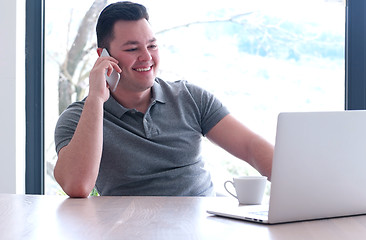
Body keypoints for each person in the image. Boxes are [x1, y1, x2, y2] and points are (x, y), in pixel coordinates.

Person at [54, 1, 273, 198]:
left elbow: (250, 147)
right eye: (132, 48)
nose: (147, 57)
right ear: (103, 56)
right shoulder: (79, 118)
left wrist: (298, 185)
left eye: (152, 46)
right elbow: (77, 186)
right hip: (130, 230)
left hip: (202, 227)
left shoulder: (190, 98)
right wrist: (95, 99)